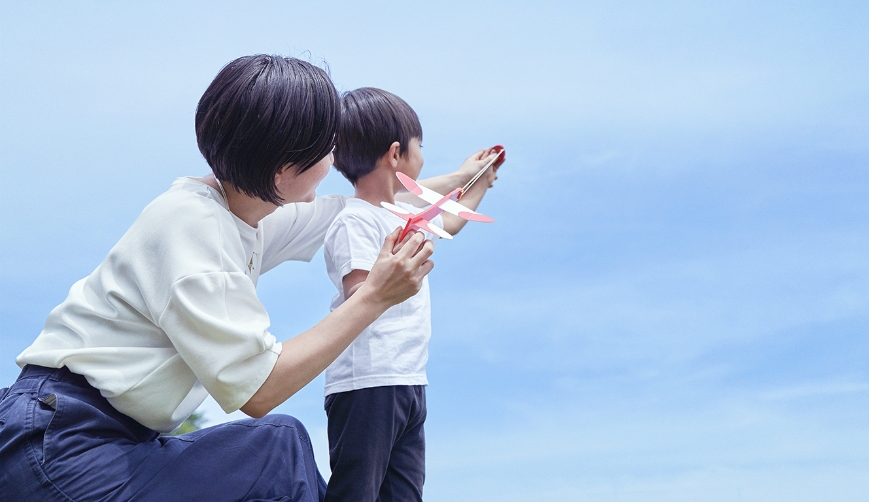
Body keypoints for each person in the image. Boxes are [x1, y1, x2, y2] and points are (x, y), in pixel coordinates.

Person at [0, 55, 496, 502]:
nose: (335, 163)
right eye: (328, 150)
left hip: (108, 441)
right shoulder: (195, 234)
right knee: (276, 452)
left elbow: (371, 203)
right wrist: (373, 298)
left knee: (278, 451)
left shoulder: (244, 213)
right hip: (59, 446)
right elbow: (258, 390)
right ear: (284, 170)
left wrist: (459, 181)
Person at [321, 87, 501, 502]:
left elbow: (450, 222)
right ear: (397, 153)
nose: (423, 154)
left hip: (407, 378)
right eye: (421, 145)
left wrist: (480, 182)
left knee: (404, 494)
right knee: (357, 492)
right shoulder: (355, 221)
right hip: (366, 382)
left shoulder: (400, 214)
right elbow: (359, 296)